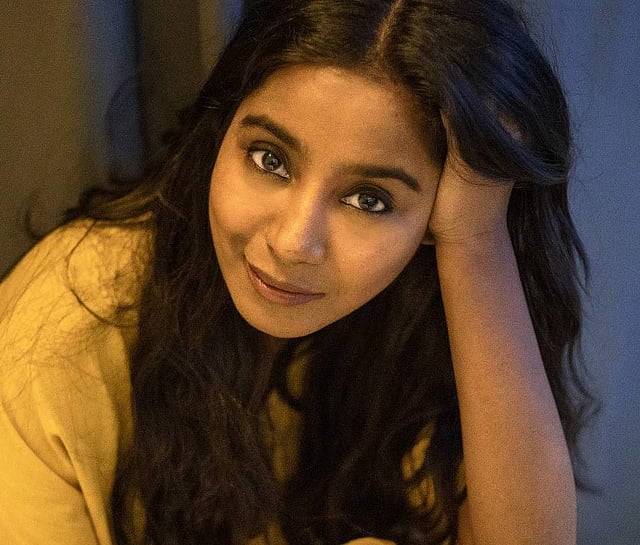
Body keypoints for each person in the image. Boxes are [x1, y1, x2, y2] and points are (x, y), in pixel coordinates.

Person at [0, 0, 596, 544]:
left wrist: (475, 242)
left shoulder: (433, 306)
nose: (293, 243)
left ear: (433, 220)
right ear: (222, 130)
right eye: (269, 160)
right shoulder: (65, 325)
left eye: (368, 200)